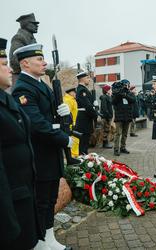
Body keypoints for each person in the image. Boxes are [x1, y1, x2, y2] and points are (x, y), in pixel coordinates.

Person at [11, 43, 73, 250]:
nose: (44, 62)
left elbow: (51, 115)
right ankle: (39, 242)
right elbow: (36, 124)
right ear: (25, 63)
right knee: (41, 201)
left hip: (50, 153)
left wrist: (64, 113)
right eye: (39, 59)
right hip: (40, 154)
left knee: (50, 198)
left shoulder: (41, 84)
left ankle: (49, 238)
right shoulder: (23, 88)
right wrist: (64, 138)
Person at [0, 38, 43, 250]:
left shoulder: (5, 100)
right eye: (2, 64)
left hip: (23, 193)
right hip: (9, 205)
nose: (9, 69)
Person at [9, 13, 39, 87]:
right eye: (34, 23)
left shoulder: (32, 39)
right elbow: (14, 61)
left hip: (30, 78)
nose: (37, 26)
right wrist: (33, 69)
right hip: (22, 79)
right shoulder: (19, 38)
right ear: (26, 24)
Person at [75, 71, 98, 155]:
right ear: (83, 79)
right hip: (84, 119)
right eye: (88, 78)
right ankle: (82, 161)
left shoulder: (83, 89)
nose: (89, 80)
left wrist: (94, 103)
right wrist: (95, 114)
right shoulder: (82, 90)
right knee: (83, 143)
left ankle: (84, 158)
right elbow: (87, 106)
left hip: (85, 118)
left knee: (85, 142)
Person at [112, 79, 136, 156]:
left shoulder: (129, 93)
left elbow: (133, 100)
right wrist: (120, 94)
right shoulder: (117, 93)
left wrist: (125, 95)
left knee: (125, 133)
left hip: (127, 116)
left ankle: (123, 147)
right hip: (119, 117)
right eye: (125, 85)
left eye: (127, 85)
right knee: (118, 133)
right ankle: (116, 149)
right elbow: (113, 102)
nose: (126, 86)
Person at [63, 87, 79, 157]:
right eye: (75, 93)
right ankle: (73, 157)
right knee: (73, 142)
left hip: (73, 123)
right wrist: (72, 124)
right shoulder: (68, 100)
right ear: (71, 93)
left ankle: (74, 156)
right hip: (71, 125)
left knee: (75, 141)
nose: (76, 94)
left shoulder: (71, 99)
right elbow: (67, 114)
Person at [99, 84, 113, 148]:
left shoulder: (107, 97)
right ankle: (105, 144)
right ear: (107, 90)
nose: (111, 91)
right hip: (106, 117)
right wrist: (108, 116)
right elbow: (104, 108)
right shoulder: (104, 97)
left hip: (107, 116)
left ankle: (106, 143)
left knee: (107, 130)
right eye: (110, 89)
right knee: (106, 130)